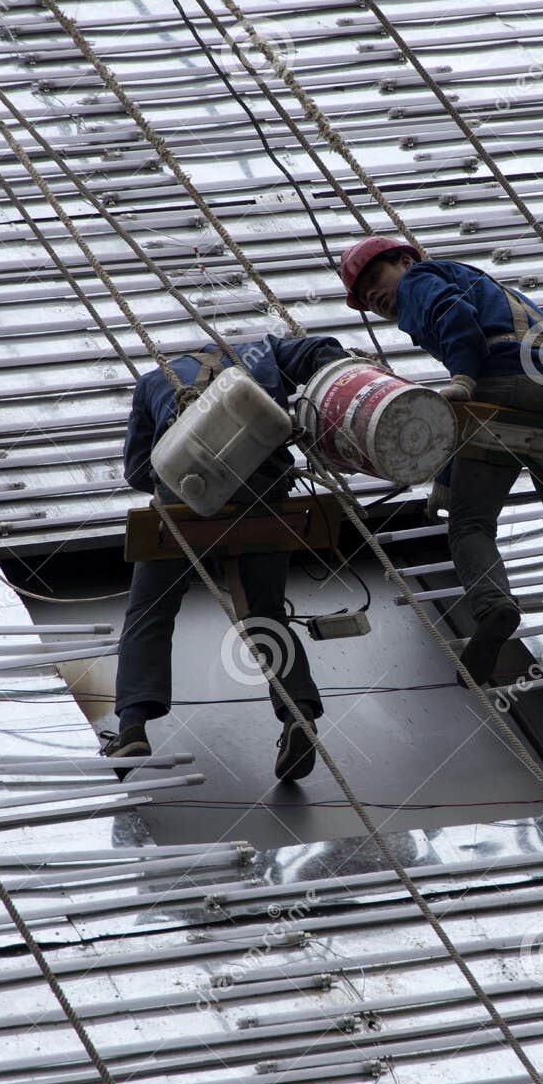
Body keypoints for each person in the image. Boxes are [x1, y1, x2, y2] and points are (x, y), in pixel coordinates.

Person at [338, 235, 543, 723]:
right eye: (365, 297)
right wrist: (449, 473)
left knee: (471, 525)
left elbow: (455, 327)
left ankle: (494, 608)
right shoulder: (481, 283)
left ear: (404, 261)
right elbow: (467, 422)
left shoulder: (424, 279)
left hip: (504, 387)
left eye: (374, 279)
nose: (375, 297)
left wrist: (464, 378)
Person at [106, 330, 347, 781]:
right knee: (266, 614)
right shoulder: (265, 352)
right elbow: (321, 351)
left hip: (185, 498)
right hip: (263, 496)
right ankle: (299, 715)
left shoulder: (153, 380)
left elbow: (139, 469)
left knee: (149, 612)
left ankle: (132, 726)